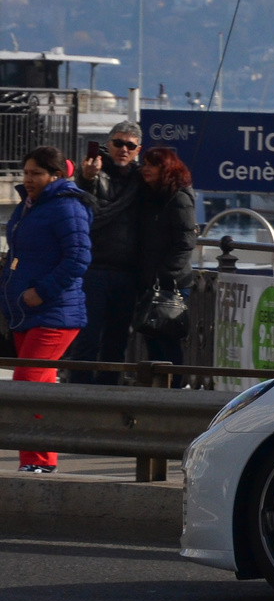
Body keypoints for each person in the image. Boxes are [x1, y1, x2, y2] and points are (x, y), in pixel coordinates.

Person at [2, 146, 93, 473]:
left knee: (27, 383)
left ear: (54, 176)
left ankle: (38, 462)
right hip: (26, 314)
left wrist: (42, 292)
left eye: (35, 173)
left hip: (55, 313)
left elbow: (79, 258)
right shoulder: (31, 206)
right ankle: (39, 462)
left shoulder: (67, 206)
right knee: (36, 385)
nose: (28, 179)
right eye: (26, 172)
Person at [66, 121, 144, 384]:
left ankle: (108, 397)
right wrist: (86, 178)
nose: (123, 149)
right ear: (108, 145)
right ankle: (78, 394)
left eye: (130, 145)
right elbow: (83, 208)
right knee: (87, 338)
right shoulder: (94, 172)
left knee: (116, 342)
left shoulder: (140, 179)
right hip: (95, 268)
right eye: (118, 143)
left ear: (137, 150)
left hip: (127, 272)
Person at [134, 147, 197, 368]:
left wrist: (163, 275)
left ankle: (173, 390)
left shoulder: (178, 198)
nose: (145, 169)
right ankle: (159, 390)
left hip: (172, 284)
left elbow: (186, 242)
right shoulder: (150, 195)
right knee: (152, 339)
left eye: (152, 165)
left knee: (167, 340)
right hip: (151, 282)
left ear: (166, 168)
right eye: (144, 164)